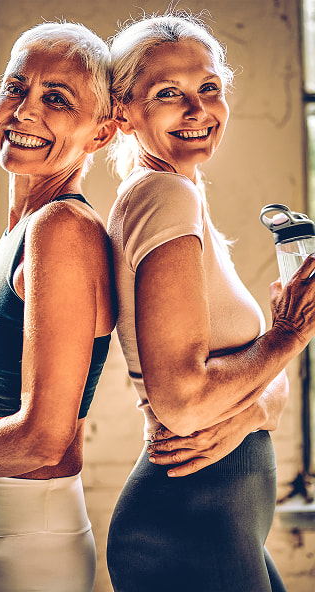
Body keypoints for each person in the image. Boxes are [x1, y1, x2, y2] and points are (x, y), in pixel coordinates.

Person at [106, 12, 315, 592]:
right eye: (169, 94)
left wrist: (250, 407)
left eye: (209, 89)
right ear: (124, 111)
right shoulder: (163, 195)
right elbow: (183, 402)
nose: (198, 110)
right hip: (188, 524)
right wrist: (286, 336)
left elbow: (260, 389)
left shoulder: (179, 191)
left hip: (219, 520)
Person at [0, 21, 118, 592]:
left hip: (25, 535)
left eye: (56, 99)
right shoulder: (30, 223)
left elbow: (44, 438)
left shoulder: (63, 228)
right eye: (16, 87)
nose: (24, 111)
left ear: (101, 133)